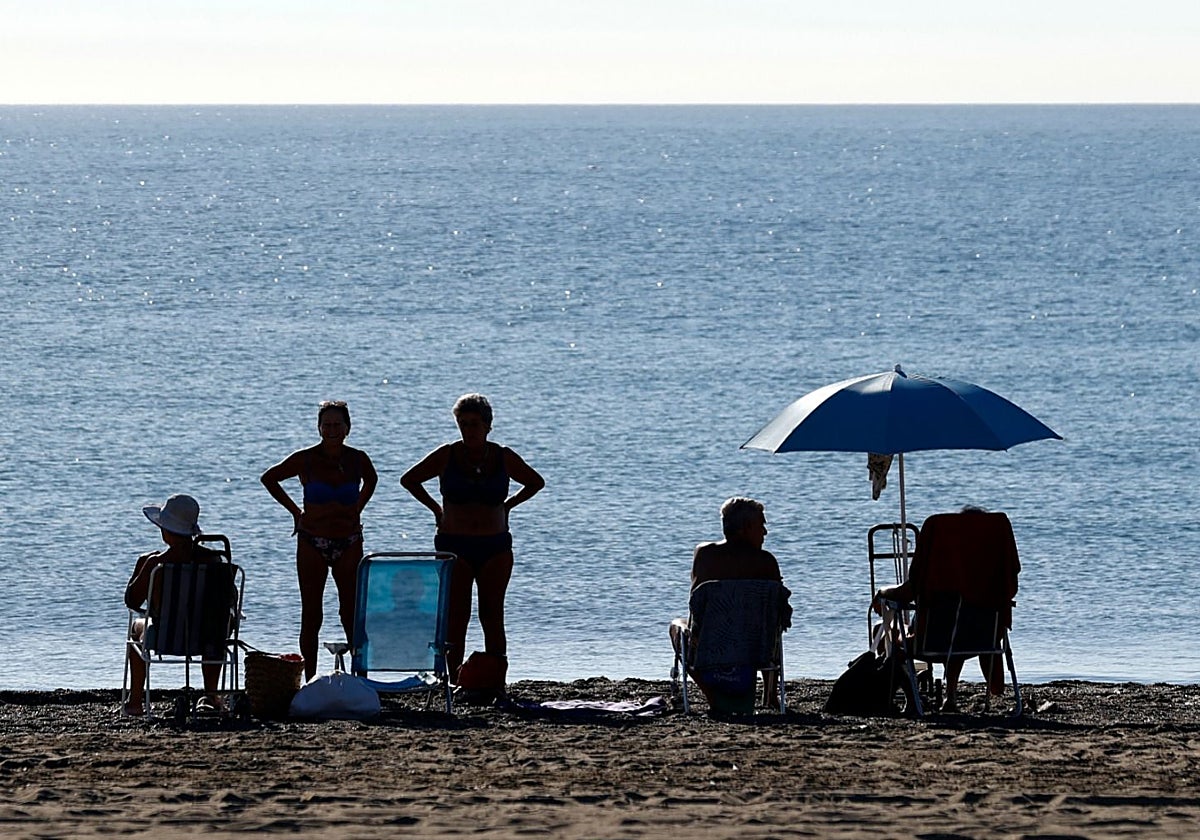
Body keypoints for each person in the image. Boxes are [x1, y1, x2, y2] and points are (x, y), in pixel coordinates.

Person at [400, 393, 544, 682]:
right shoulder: (448, 454)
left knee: (492, 615)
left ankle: (495, 680)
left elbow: (535, 482)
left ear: (488, 426)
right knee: (457, 616)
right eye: (463, 423)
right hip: (455, 544)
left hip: (495, 546)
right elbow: (409, 479)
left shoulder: (502, 456)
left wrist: (508, 506)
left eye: (474, 424)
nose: (468, 429)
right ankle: (452, 680)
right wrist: (436, 509)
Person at [261, 400, 378, 680]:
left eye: (338, 424)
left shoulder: (357, 459)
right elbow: (270, 478)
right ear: (319, 427)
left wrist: (357, 508)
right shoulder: (306, 459)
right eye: (326, 425)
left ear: (348, 428)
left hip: (348, 541)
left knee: (349, 610)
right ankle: (310, 677)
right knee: (311, 612)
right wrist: (295, 512)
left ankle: (359, 675)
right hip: (312, 540)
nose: (332, 430)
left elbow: (372, 480)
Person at [873, 505, 1019, 712]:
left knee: (884, 630)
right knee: (959, 633)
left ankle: (909, 697)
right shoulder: (991, 584)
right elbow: (1010, 590)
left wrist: (882, 592)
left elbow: (907, 591)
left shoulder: (939, 571)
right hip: (981, 640)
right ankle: (949, 698)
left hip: (929, 641)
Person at [671, 497, 789, 706]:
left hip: (710, 648)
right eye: (761, 524)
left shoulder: (704, 554)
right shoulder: (766, 562)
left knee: (676, 626)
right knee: (771, 623)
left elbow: (696, 607)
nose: (765, 532)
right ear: (745, 528)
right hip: (756, 649)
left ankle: (712, 696)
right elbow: (780, 613)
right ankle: (770, 696)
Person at [123, 493, 226, 716]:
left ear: (165, 530)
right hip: (206, 637)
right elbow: (226, 601)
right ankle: (211, 696)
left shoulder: (155, 563)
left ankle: (135, 702)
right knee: (214, 625)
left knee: (135, 627)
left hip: (164, 636)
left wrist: (143, 567)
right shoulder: (214, 561)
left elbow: (132, 601)